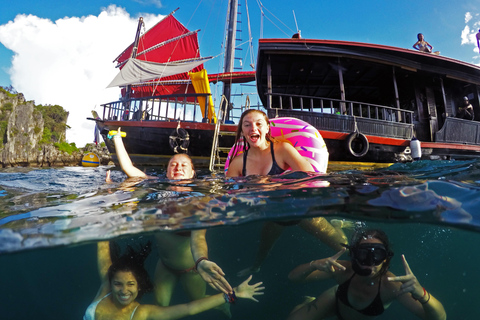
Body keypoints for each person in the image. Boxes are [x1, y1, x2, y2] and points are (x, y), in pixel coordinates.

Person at [109, 129, 233, 307]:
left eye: (183, 166)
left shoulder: (199, 200)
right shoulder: (157, 187)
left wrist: (201, 261)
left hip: (191, 269)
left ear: (192, 173)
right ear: (166, 173)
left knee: (198, 300)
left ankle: (225, 307)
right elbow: (129, 169)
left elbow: (198, 237)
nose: (178, 168)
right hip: (165, 266)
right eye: (173, 165)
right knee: (160, 305)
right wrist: (117, 138)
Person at [225, 110, 348, 276]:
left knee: (342, 245)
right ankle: (256, 267)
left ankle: (337, 225)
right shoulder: (238, 163)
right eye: (247, 125)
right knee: (262, 251)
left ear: (267, 128)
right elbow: (229, 196)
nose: (253, 128)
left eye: (258, 124)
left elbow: (312, 179)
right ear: (242, 131)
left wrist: (272, 185)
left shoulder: (282, 149)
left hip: (300, 211)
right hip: (274, 217)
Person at [287, 229, 446, 320]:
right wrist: (313, 264)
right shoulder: (343, 269)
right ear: (354, 255)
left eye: (377, 255)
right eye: (363, 254)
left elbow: (439, 318)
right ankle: (310, 302)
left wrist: (422, 294)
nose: (370, 261)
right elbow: (293, 278)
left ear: (385, 259)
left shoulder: (392, 285)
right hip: (334, 302)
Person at [84, 241, 264, 320]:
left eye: (130, 284)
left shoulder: (142, 313)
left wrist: (232, 294)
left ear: (139, 286)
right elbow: (102, 247)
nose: (124, 290)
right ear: (111, 282)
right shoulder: (105, 288)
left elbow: (189, 309)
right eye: (118, 284)